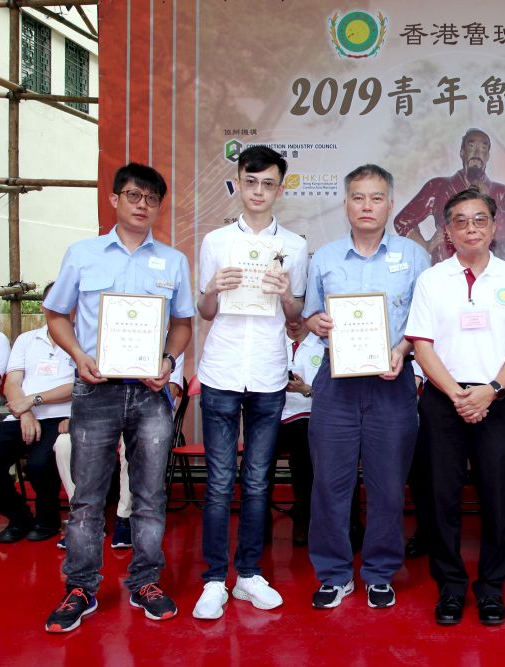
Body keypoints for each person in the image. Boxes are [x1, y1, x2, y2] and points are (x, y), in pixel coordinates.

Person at [41, 162, 194, 632]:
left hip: (150, 395)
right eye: (132, 195)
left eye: (150, 199)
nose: (141, 205)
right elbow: (55, 314)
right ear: (114, 200)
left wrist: (167, 362)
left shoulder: (172, 261)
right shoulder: (83, 254)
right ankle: (81, 588)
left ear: (158, 206)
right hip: (96, 389)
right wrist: (79, 356)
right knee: (87, 497)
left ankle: (145, 580)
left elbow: (183, 324)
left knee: (149, 495)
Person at [405, 188, 505, 626]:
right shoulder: (431, 279)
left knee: (498, 498)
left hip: (497, 400)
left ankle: (492, 588)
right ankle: (449, 587)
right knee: (440, 498)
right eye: (461, 221)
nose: (471, 228)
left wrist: (492, 390)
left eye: (479, 220)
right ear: (448, 231)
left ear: (494, 226)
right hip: (444, 403)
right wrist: (457, 394)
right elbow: (421, 345)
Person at [304, 164, 429, 610]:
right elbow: (311, 317)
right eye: (358, 197)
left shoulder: (415, 257)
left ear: (390, 204)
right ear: (346, 203)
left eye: (376, 198)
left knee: (387, 485)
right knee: (330, 485)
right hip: (336, 384)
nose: (367, 206)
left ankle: (379, 571)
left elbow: (424, 323)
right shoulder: (325, 258)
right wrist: (314, 321)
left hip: (391, 383)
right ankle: (334, 574)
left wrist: (402, 349)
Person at [192, 145, 308, 620]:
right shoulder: (215, 242)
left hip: (267, 371)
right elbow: (202, 312)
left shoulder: (296, 246)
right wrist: (214, 288)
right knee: (220, 481)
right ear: (238, 183)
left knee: (258, 481)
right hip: (220, 370)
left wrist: (287, 298)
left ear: (280, 188)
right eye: (250, 181)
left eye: (268, 184)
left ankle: (250, 575)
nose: (258, 191)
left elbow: (297, 317)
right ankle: (215, 579)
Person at [53, 352, 185, 551]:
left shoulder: (170, 345)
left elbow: (172, 391)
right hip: (99, 410)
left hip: (148, 412)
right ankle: (83, 519)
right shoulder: (104, 336)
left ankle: (125, 517)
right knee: (64, 443)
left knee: (131, 443)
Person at [0, 284, 74, 544]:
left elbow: (79, 385)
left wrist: (34, 399)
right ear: (43, 306)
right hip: (23, 415)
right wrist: (26, 412)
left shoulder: (84, 340)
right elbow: (11, 382)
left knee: (39, 464)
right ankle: (19, 516)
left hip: (62, 417)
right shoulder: (27, 340)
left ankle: (47, 519)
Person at [393, 128, 505, 264]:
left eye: (483, 148)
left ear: (487, 156)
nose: (477, 153)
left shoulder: (501, 192)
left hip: (487, 268)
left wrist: (488, 201)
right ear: (462, 152)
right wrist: (425, 246)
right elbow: (403, 220)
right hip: (446, 265)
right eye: (471, 146)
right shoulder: (438, 186)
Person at [266, 317, 322, 547]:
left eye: (300, 316)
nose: (294, 321)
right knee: (257, 458)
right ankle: (259, 522)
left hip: (309, 417)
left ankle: (303, 518)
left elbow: (332, 395)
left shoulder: (322, 345)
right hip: (274, 416)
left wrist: (306, 389)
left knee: (304, 453)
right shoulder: (272, 342)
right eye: (288, 316)